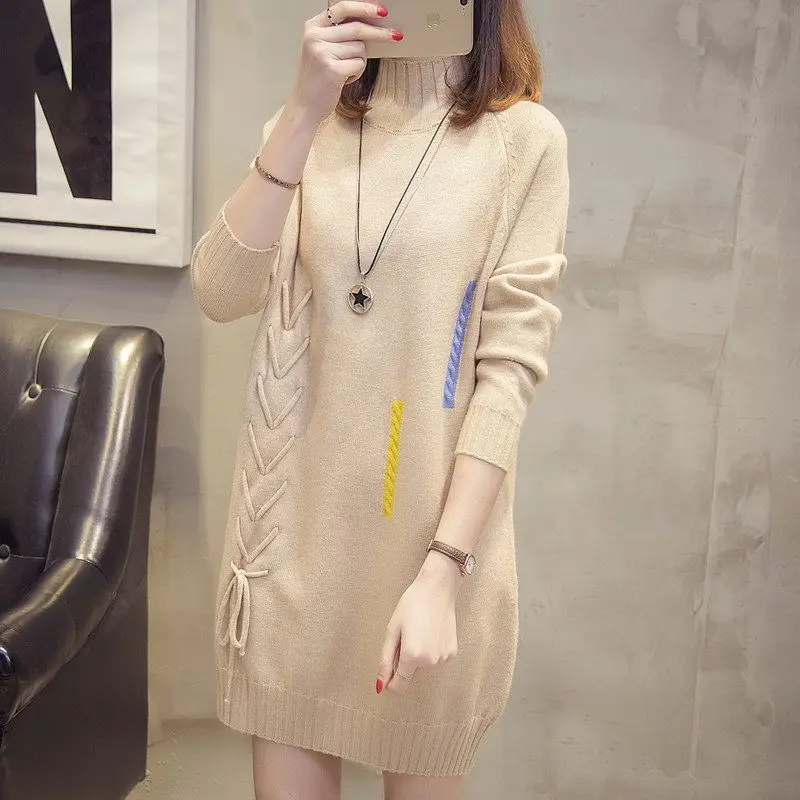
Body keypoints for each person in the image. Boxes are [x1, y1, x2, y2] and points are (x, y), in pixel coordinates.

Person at [190, 1, 569, 798]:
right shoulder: (307, 126)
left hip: (432, 563)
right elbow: (221, 291)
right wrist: (301, 112)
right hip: (292, 563)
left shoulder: (524, 144)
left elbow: (508, 374)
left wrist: (443, 573)